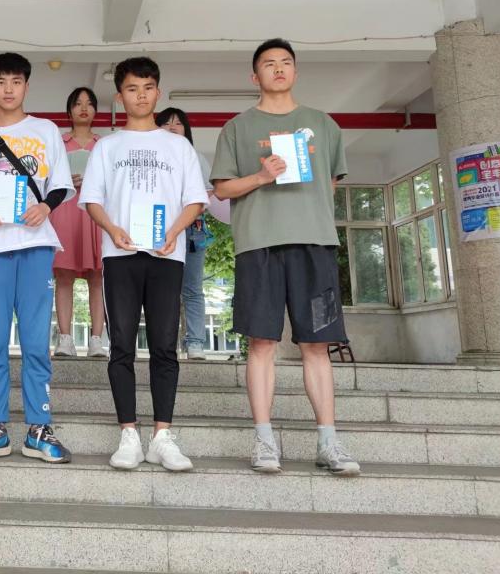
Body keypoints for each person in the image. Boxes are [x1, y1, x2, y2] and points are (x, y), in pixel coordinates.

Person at [211, 38, 360, 476]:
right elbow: (222, 189)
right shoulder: (237, 128)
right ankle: (264, 441)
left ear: (295, 71)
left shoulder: (323, 124)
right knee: (261, 343)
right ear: (254, 75)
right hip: (258, 244)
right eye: (269, 63)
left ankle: (329, 443)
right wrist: (261, 176)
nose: (278, 69)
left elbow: (329, 183)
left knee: (317, 344)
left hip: (314, 244)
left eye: (285, 62)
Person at [80, 57, 207, 471]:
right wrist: (112, 228)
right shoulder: (107, 146)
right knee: (121, 344)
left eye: (148, 88)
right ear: (120, 96)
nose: (141, 95)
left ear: (158, 92)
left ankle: (162, 436)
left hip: (166, 255)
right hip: (120, 254)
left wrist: (175, 232)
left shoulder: (178, 146)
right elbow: (92, 200)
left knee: (165, 344)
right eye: (132, 89)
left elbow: (195, 200)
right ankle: (129, 434)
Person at [0, 52, 74, 463]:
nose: (8, 89)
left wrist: (45, 208)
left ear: (26, 86)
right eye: (1, 82)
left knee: (37, 340)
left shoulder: (45, 130)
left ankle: (39, 428)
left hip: (36, 244)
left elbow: (59, 184)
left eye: (16, 81)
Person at [50, 87, 107, 358]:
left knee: (98, 276)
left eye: (89, 103)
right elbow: (44, 179)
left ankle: (96, 340)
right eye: (77, 103)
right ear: (69, 110)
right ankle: (65, 339)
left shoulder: (104, 144)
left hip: (95, 212)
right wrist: (63, 180)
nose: (84, 108)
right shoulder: (57, 143)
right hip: (65, 210)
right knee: (64, 276)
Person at [156, 107, 214, 360]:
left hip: (191, 228)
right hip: (158, 226)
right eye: (166, 123)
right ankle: (163, 342)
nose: (172, 127)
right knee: (160, 288)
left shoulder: (195, 157)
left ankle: (196, 342)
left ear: (186, 129)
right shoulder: (152, 155)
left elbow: (208, 193)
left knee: (192, 287)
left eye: (178, 123)